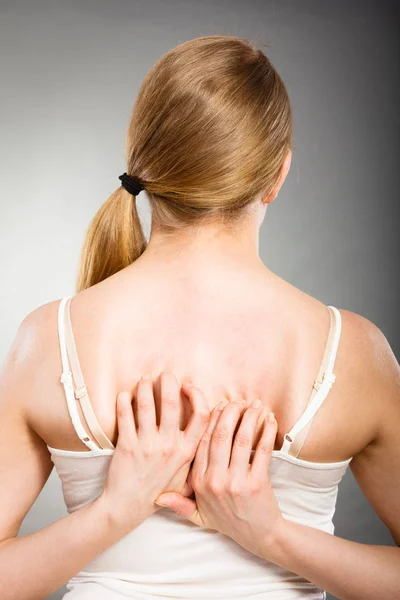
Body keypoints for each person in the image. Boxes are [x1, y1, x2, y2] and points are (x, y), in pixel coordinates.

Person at [0, 34, 399, 600]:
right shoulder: (356, 352)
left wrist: (119, 513)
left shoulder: (47, 340)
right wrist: (271, 536)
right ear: (278, 174)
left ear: (146, 167)